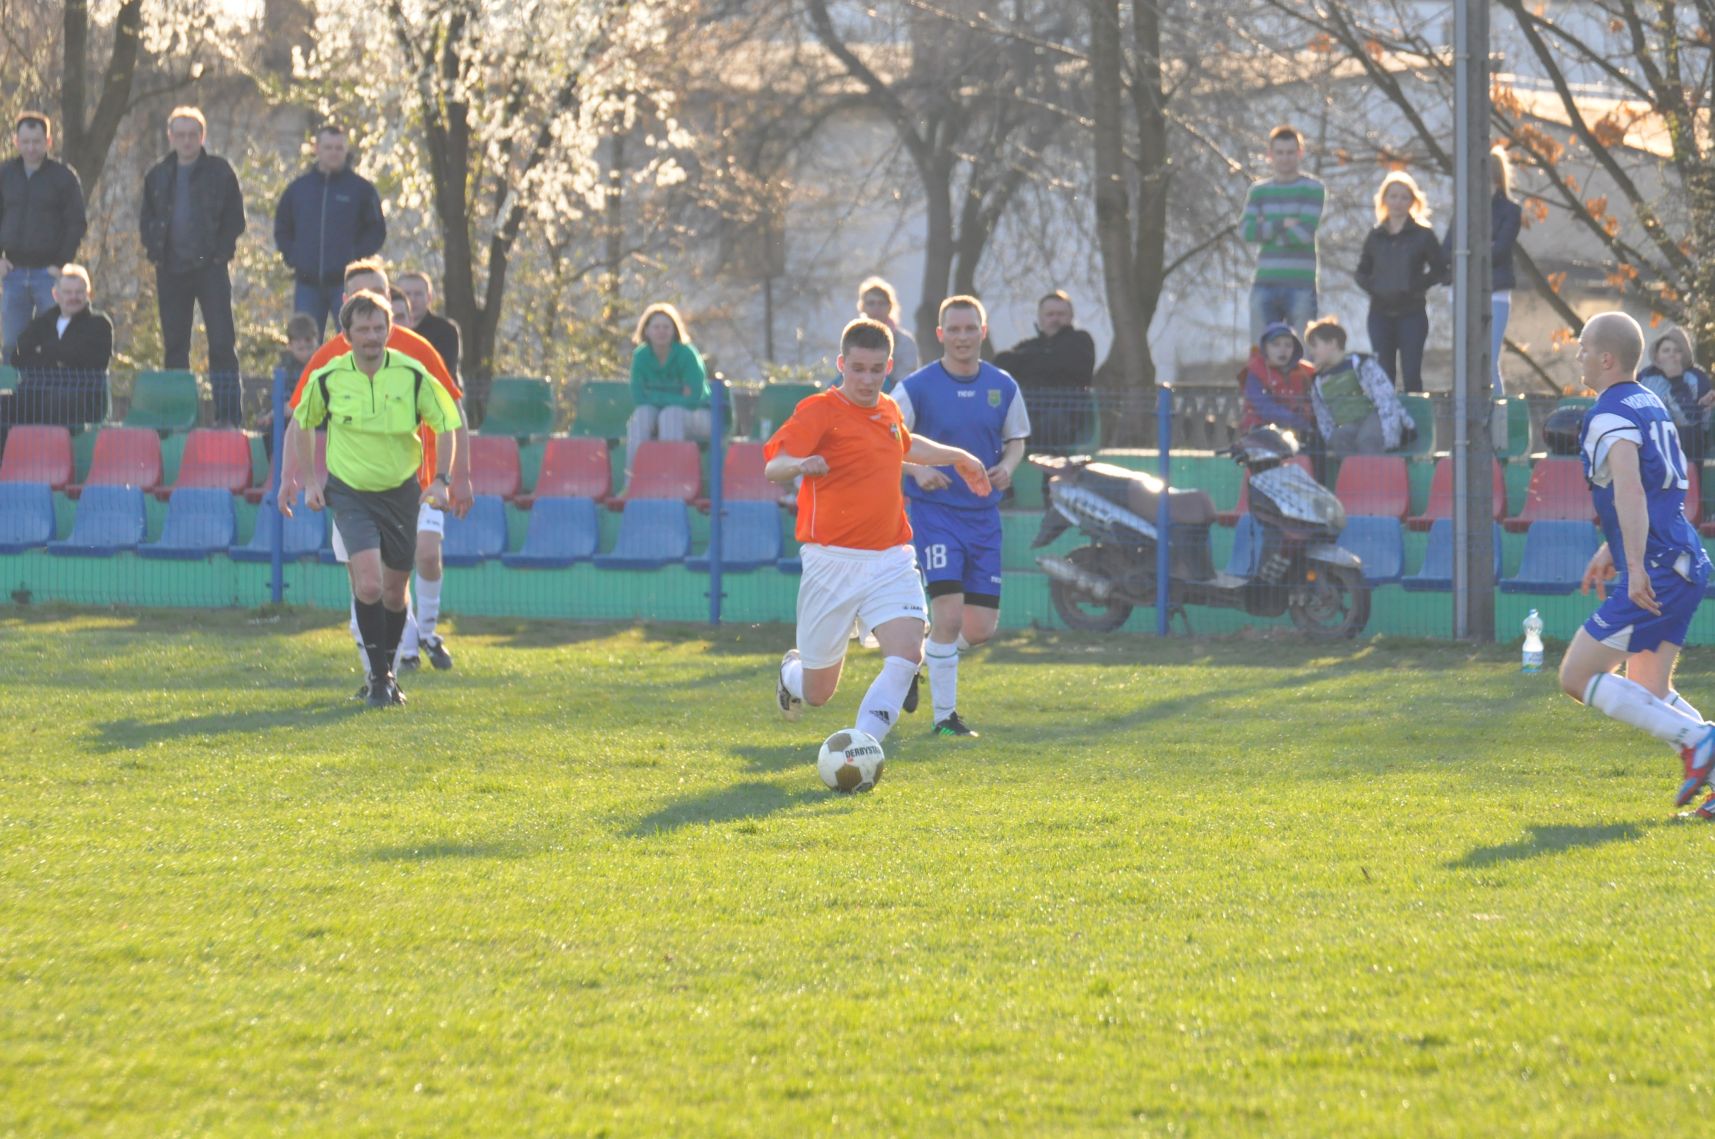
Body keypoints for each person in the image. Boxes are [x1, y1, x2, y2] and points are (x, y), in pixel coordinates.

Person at [765, 317, 992, 745]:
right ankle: (791, 674)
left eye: (876, 370)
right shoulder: (818, 410)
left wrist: (958, 456)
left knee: (908, 653)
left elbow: (907, 444)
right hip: (831, 562)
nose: (867, 379)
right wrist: (799, 464)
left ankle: (861, 747)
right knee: (818, 693)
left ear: (888, 367)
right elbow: (773, 466)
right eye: (858, 369)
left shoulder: (887, 409)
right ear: (841, 364)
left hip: (891, 558)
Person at [281, 258, 471, 686]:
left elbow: (451, 414)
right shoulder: (329, 361)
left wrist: (455, 477)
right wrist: (295, 479)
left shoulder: (416, 356)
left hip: (414, 484)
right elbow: (301, 418)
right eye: (362, 296)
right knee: (366, 581)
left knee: (406, 573)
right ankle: (379, 674)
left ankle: (420, 637)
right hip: (350, 489)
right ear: (346, 304)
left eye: (380, 294)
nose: (372, 325)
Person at [1554, 311, 1715, 815]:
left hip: (1660, 567)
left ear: (1606, 358)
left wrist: (1637, 566)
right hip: (1683, 557)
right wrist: (1614, 550)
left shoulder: (1608, 413)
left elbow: (1631, 490)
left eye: (1583, 347)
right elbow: (1657, 486)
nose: (1578, 355)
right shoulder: (1649, 401)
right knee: (1649, 686)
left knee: (1576, 676)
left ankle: (1699, 740)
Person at [895, 295, 1031, 738]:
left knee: (980, 628)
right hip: (936, 515)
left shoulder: (1003, 386)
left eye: (970, 328)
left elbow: (1016, 440)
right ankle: (945, 720)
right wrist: (916, 469)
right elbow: (882, 439)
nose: (962, 337)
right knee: (949, 615)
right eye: (953, 329)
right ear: (940, 335)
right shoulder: (916, 388)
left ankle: (914, 662)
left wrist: (1008, 467)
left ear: (983, 332)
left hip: (984, 518)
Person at [139, 106, 246, 426]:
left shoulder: (220, 172)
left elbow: (235, 218)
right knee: (175, 347)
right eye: (180, 135)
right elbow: (146, 220)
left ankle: (229, 418)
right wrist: (155, 252)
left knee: (222, 343)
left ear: (202, 136)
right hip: (170, 269)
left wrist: (221, 254)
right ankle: (178, 417)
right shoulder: (157, 175)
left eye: (192, 134)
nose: (186, 141)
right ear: (170, 137)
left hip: (211, 269)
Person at [273, 123, 387, 336]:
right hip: (307, 283)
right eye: (328, 147)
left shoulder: (361, 190)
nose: (334, 153)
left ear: (346, 150)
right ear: (317, 149)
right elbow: (282, 227)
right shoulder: (299, 189)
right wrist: (294, 256)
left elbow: (376, 231)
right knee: (304, 340)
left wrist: (355, 257)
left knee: (353, 336)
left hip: (347, 284)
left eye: (339, 148)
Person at [0, 113, 86, 364]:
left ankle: (53, 390)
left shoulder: (64, 177)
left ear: (48, 141)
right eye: (25, 141)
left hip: (50, 274)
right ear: (16, 142)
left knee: (55, 341)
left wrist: (61, 263)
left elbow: (76, 223)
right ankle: (12, 390)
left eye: (36, 141)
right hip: (13, 273)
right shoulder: (4, 175)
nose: (31, 147)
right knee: (12, 343)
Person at [1355, 170, 1447, 394]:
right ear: (1384, 199)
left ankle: (1414, 416)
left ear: (1413, 201)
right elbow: (1361, 271)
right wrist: (1376, 288)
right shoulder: (1375, 235)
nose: (1398, 202)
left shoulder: (1423, 235)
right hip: (1380, 313)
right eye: (1393, 196)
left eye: (1404, 197)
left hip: (1412, 313)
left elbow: (1440, 270)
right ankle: (1387, 415)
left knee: (1411, 373)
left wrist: (1416, 286)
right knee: (1384, 372)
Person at [1441, 148, 1523, 397]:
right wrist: (1481, 247)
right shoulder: (1463, 211)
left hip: (1496, 292)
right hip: (1462, 291)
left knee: (1488, 360)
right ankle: (1466, 413)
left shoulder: (1510, 210)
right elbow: (1447, 250)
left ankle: (1496, 414)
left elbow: (1499, 251)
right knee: (1465, 360)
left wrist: (1467, 251)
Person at [1240, 125, 1325, 347]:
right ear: (1270, 155)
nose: (1285, 158)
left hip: (1301, 283)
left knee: (1304, 351)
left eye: (1290, 152)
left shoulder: (1313, 188)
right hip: (1264, 282)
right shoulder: (1258, 191)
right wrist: (1282, 224)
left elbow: (1304, 234)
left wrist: (1267, 230)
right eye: (1279, 152)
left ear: (1300, 153)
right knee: (1261, 350)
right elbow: (1246, 232)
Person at [4, 264, 111, 429]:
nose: (74, 297)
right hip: (36, 394)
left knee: (58, 401)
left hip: (82, 398)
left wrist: (44, 350)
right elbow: (18, 358)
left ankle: (50, 446)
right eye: (68, 292)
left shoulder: (99, 324)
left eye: (79, 292)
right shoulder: (41, 323)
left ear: (88, 294)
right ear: (56, 295)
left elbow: (95, 363)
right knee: (3, 405)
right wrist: (63, 355)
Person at [992, 290, 1095, 451]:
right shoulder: (1029, 345)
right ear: (1040, 319)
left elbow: (1073, 365)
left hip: (1066, 417)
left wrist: (1028, 362)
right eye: (1050, 314)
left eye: (1061, 314)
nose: (1055, 319)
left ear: (1070, 317)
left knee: (1050, 424)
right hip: (1030, 412)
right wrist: (1045, 359)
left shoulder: (1081, 340)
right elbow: (1001, 362)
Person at [1304, 316, 1415, 457]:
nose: (1311, 352)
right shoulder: (1318, 381)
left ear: (1332, 343)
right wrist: (1330, 436)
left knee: (1367, 439)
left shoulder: (1362, 365)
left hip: (1375, 417)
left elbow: (1385, 397)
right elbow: (1323, 415)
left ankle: (1373, 470)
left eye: (1314, 346)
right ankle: (1352, 471)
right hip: (1349, 424)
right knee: (1339, 438)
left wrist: (1390, 431)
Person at [626, 302, 710, 476]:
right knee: (641, 416)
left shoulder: (687, 354)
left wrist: (654, 396)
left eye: (666, 327)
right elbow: (639, 397)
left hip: (702, 416)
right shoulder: (640, 356)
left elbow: (693, 399)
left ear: (674, 330)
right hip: (658, 414)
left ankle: (672, 479)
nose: (661, 331)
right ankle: (633, 480)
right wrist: (675, 396)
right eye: (656, 327)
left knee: (670, 416)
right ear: (647, 330)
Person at [1637, 327, 1714, 466]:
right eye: (1666, 350)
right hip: (1651, 451)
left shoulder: (1697, 377)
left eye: (1678, 351)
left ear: (1686, 354)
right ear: (1656, 355)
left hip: (1688, 454)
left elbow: (1691, 418)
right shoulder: (1645, 376)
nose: (1671, 355)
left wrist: (1676, 379)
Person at [1239, 321, 1316, 439]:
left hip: (1299, 433)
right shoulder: (1254, 371)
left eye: (1288, 345)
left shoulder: (1306, 372)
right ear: (1265, 347)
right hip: (1260, 432)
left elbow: (1315, 402)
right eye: (1275, 344)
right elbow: (1263, 406)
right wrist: (1296, 420)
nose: (1282, 350)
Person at [399, 271, 461, 384]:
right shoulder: (387, 330)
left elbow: (444, 371)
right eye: (406, 294)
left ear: (429, 297)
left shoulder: (446, 330)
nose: (412, 299)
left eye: (418, 294)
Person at [857, 277, 918, 382]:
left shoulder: (904, 342)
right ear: (862, 307)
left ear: (890, 307)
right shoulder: (852, 338)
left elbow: (905, 381)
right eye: (871, 303)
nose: (876, 308)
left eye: (881, 303)